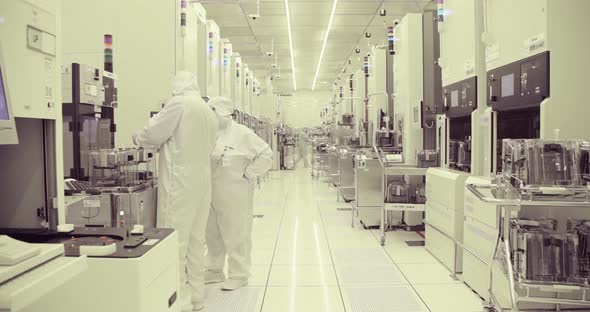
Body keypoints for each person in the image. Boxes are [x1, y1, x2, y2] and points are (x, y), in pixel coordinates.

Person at [132, 71, 217, 311]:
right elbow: (210, 144)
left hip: (180, 183)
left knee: (175, 241)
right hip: (202, 183)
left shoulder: (179, 103)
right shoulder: (205, 109)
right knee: (196, 241)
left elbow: (153, 133)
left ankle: (178, 300)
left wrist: (138, 137)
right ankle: (197, 298)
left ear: (177, 86)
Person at [204, 97, 273, 290]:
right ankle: (214, 270)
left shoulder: (242, 133)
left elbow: (266, 155)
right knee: (212, 232)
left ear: (224, 114)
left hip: (235, 192)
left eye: (214, 112)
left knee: (236, 232)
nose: (211, 116)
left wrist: (249, 173)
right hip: (211, 191)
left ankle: (239, 274)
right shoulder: (210, 133)